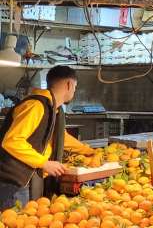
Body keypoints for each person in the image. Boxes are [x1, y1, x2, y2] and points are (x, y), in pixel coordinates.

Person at [0, 66, 94, 209]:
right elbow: (12, 141)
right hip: (11, 182)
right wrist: (44, 163)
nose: (74, 91)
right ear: (69, 85)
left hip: (26, 180)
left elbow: (61, 137)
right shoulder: (36, 106)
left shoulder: (53, 108)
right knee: (13, 226)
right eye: (75, 87)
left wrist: (87, 151)